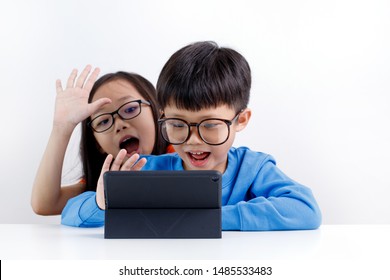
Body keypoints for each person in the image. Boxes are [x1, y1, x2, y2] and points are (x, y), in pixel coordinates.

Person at [62, 42, 322, 230]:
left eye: (209, 124)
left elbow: (305, 209)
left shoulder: (252, 168)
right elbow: (70, 215)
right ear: (163, 116)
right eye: (177, 124)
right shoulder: (147, 168)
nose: (193, 140)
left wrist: (210, 218)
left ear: (240, 120)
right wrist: (100, 202)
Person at [31, 65, 170, 216]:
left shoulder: (186, 157)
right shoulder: (103, 186)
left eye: (130, 109)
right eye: (103, 121)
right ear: (98, 144)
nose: (119, 124)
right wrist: (61, 128)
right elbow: (45, 204)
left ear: (158, 112)